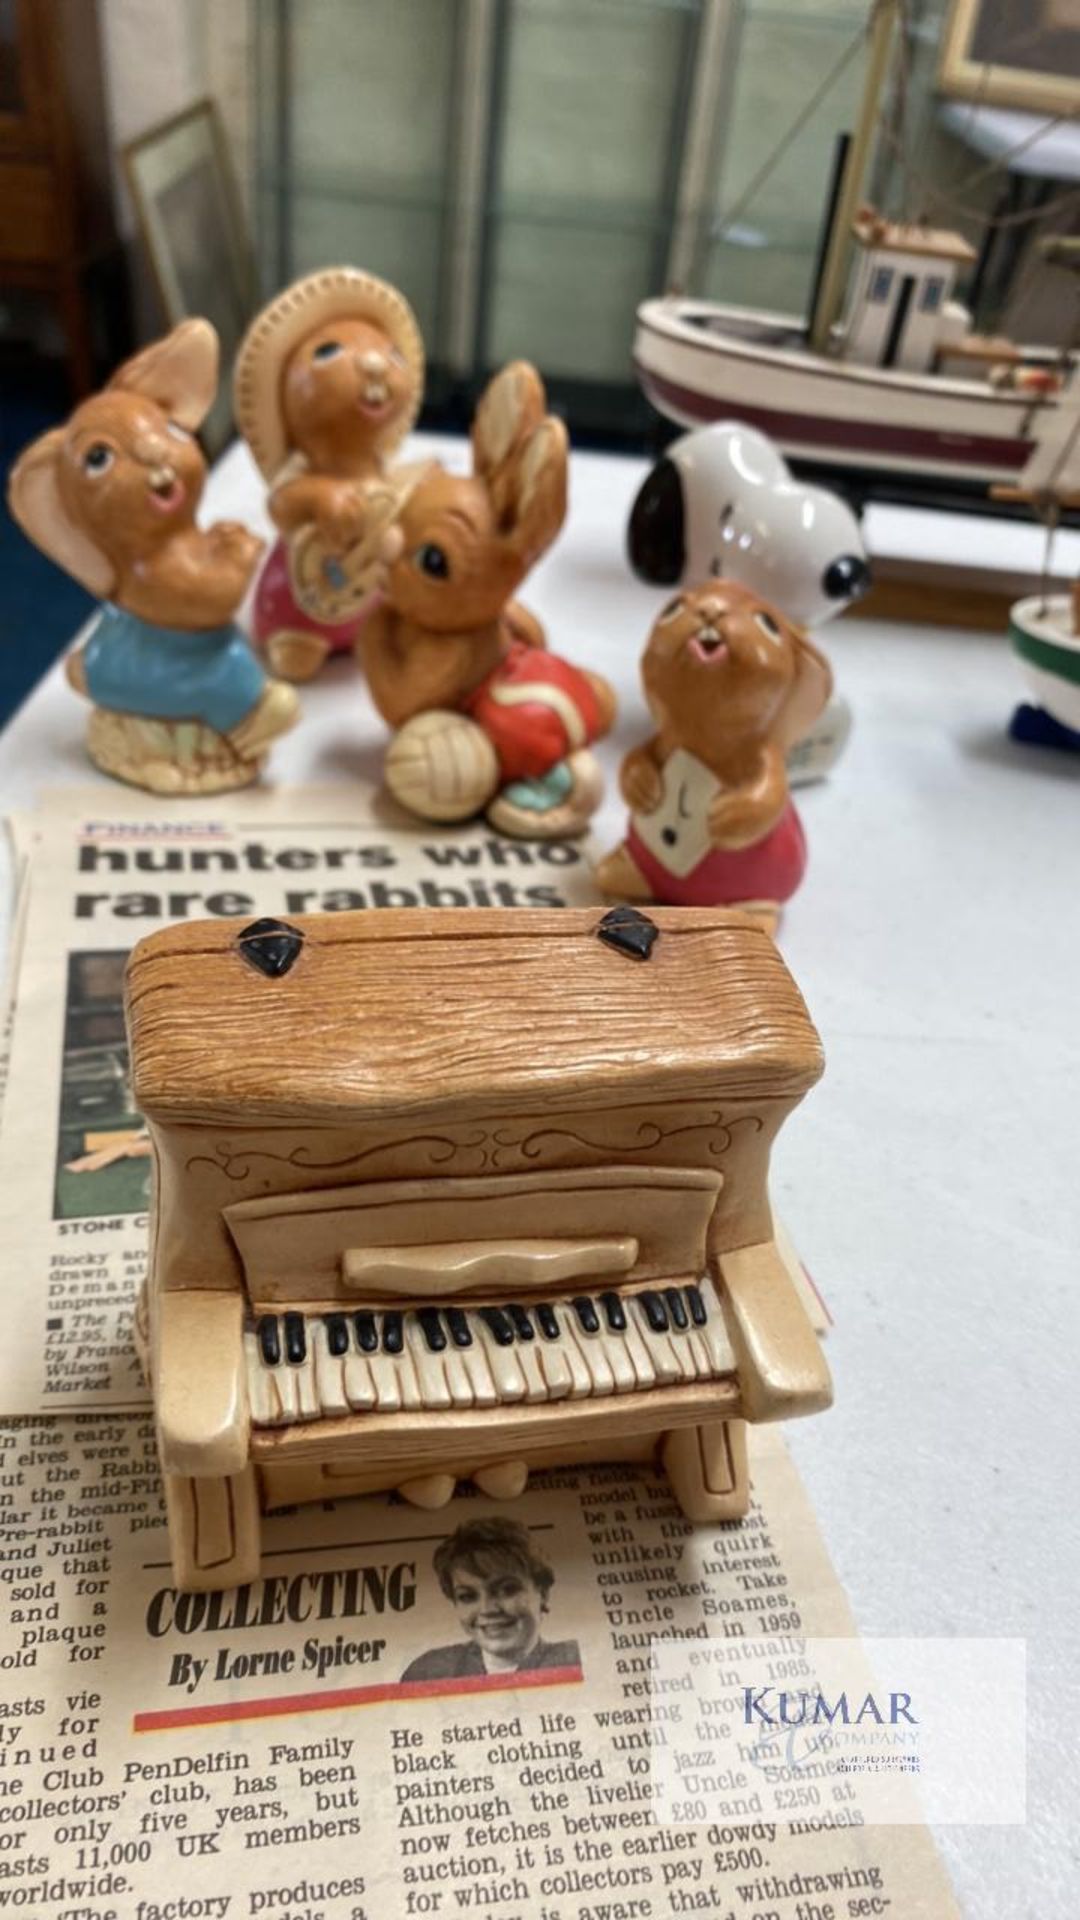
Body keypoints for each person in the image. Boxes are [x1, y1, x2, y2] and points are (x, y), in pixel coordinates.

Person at [401, 1517, 580, 1682]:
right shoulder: (428, 1671)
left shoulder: (573, 1659)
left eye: (507, 1590)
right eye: (468, 1596)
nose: (487, 1609)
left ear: (543, 1593)